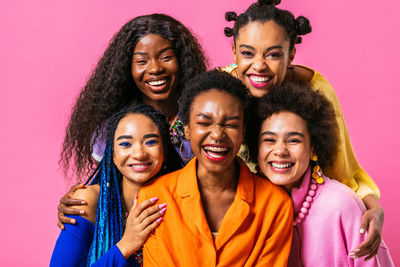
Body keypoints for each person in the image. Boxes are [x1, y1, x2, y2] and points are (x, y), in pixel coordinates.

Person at [222, 0, 383, 258]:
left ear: (292, 54)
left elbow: (341, 170)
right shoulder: (220, 93)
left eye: (273, 54)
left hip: (308, 220)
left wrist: (373, 207)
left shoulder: (315, 90)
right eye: (247, 53)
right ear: (234, 52)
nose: (259, 66)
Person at [57, 14, 207, 228]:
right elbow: (107, 188)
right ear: (127, 68)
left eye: (165, 57)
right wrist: (78, 203)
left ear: (182, 60)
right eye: (141, 61)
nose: (155, 68)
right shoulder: (114, 127)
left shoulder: (204, 119)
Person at [138, 70, 293, 266]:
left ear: (243, 131)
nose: (218, 135)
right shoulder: (154, 198)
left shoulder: (276, 205)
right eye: (204, 122)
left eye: (231, 124)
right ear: (187, 129)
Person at [245, 82, 394, 266]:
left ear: (313, 147)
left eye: (293, 140)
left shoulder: (342, 204)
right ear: (255, 146)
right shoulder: (247, 204)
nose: (280, 150)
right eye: (269, 140)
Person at [50, 104, 183, 266]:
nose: (139, 154)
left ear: (164, 150)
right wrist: (126, 245)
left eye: (150, 142)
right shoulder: (88, 201)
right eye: (125, 144)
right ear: (112, 154)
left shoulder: (182, 197)